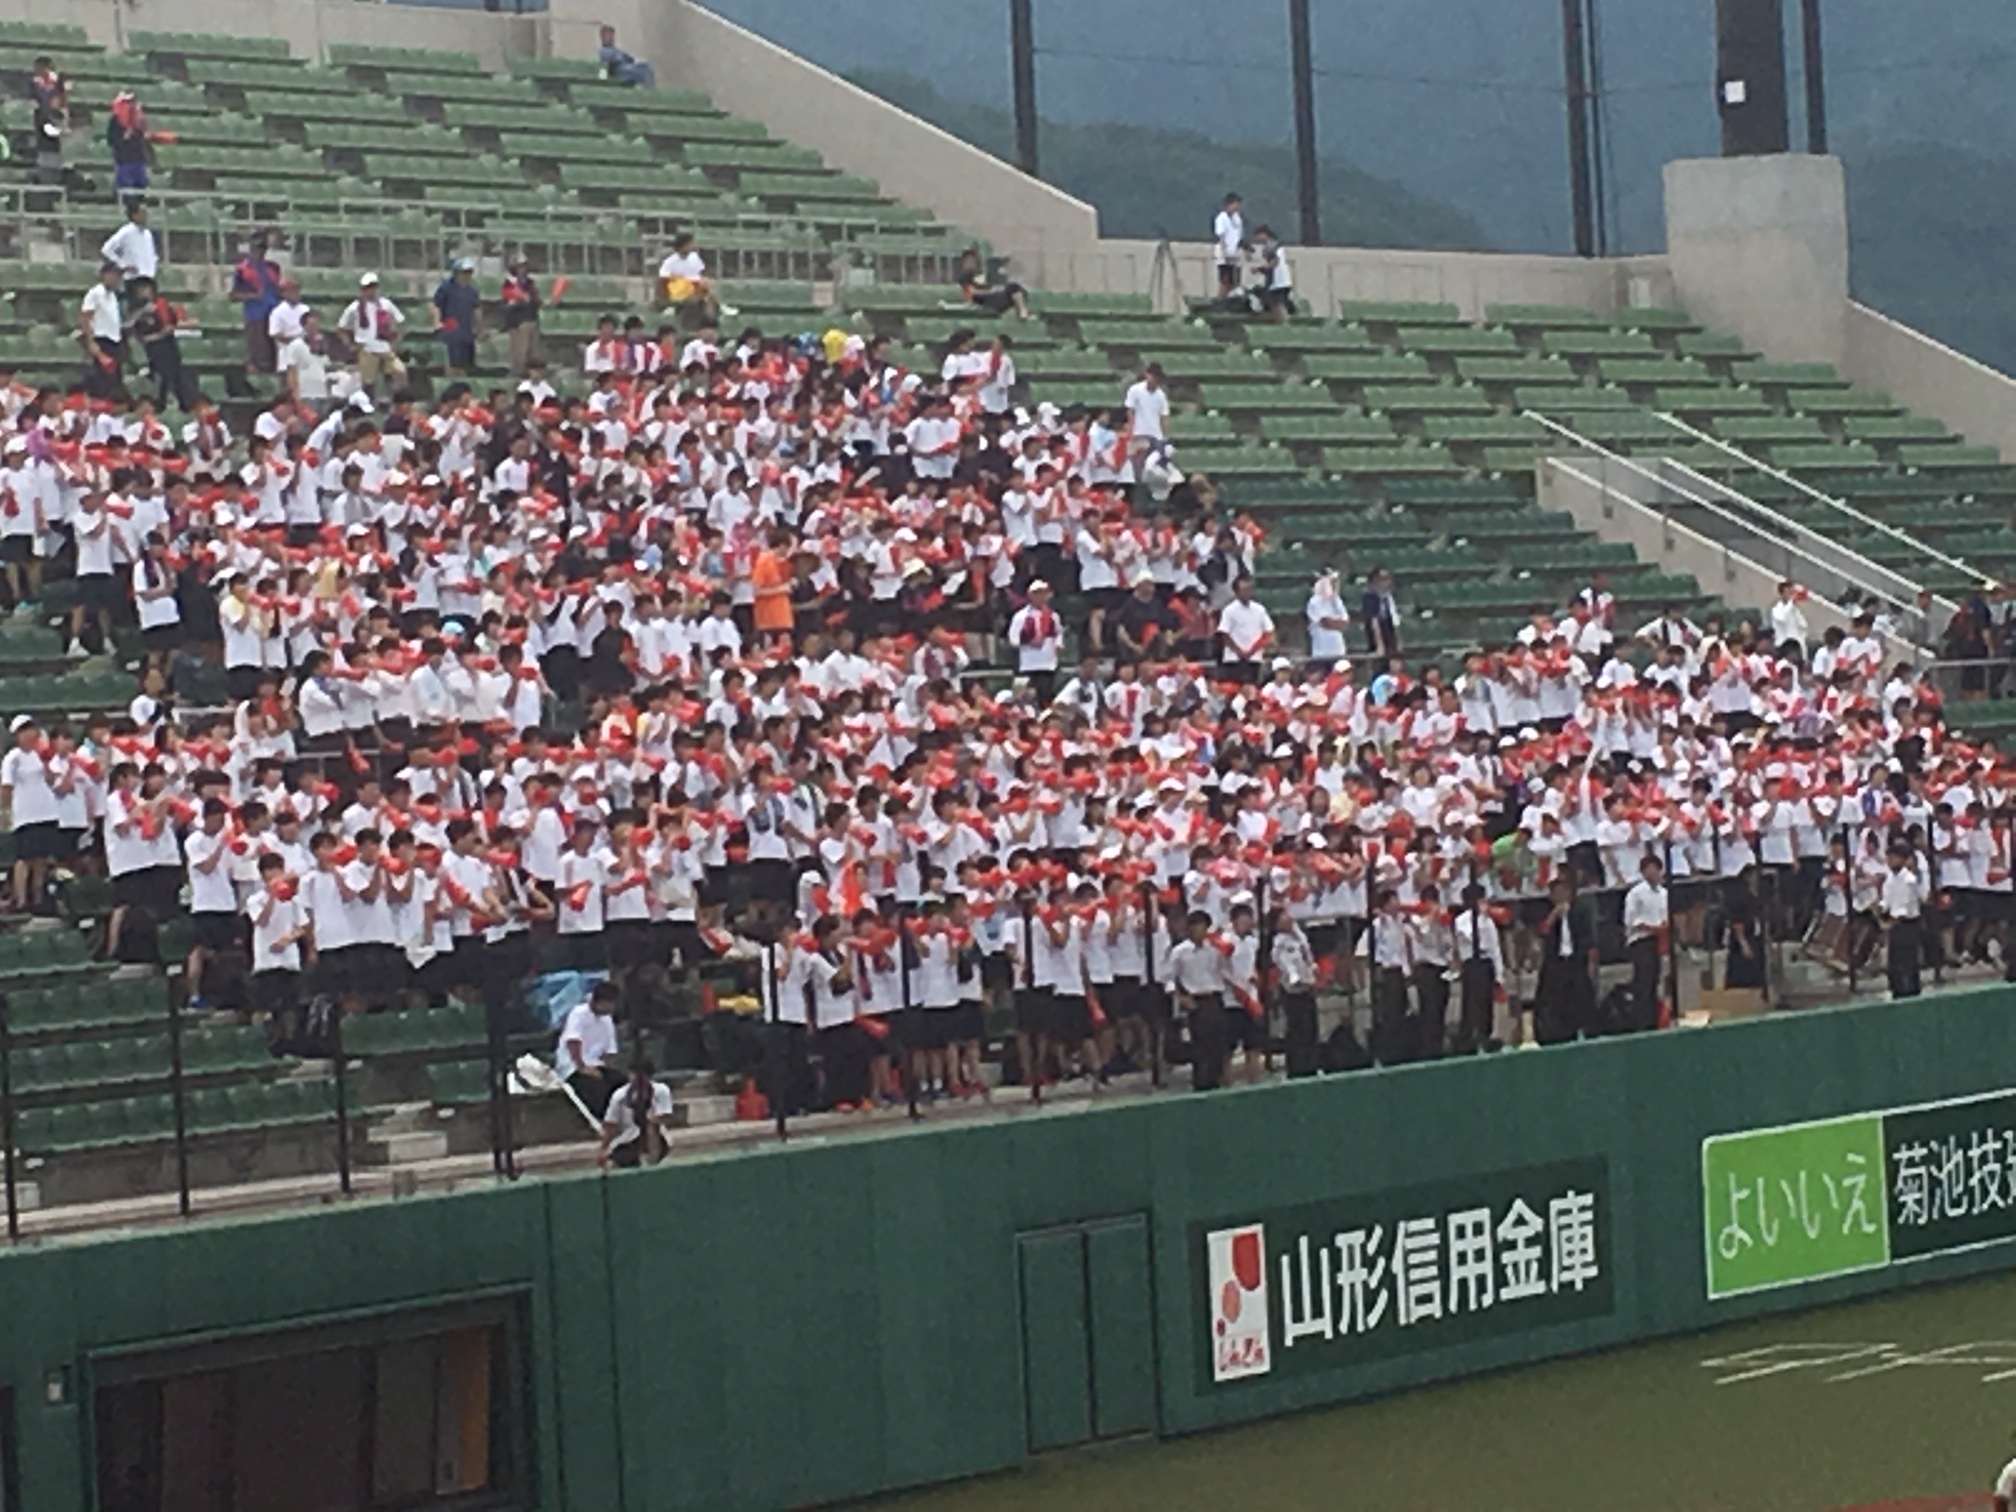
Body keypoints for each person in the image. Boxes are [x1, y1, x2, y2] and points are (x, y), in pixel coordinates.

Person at [1535, 874, 1598, 1044]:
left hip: (1576, 960)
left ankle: (1584, 1029)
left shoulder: (1580, 911)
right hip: (1556, 962)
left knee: (1581, 996)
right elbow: (1542, 931)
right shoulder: (1545, 911)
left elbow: (1589, 937)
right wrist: (1554, 915)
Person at [556, 980, 623, 1116]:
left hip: (597, 1065)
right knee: (596, 1089)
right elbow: (573, 1041)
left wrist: (609, 1071)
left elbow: (610, 1051)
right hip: (573, 1068)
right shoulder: (578, 1014)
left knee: (621, 1085)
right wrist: (582, 1067)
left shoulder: (607, 1020)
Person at [336, 271, 407, 396]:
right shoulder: (355, 307)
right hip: (367, 349)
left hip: (385, 348)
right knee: (367, 382)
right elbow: (341, 328)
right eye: (367, 288)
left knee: (400, 372)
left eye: (373, 287)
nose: (371, 290)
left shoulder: (386, 304)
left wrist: (395, 343)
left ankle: (395, 397)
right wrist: (350, 345)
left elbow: (401, 323)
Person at [1622, 851, 1670, 1031]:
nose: (1652, 872)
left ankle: (1653, 1019)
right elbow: (1631, 920)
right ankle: (1641, 1021)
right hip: (1641, 941)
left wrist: (1663, 927)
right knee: (1643, 980)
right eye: (1648, 869)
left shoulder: (1664, 893)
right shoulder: (1636, 893)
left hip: (1659, 940)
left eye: (1655, 868)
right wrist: (1651, 927)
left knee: (1655, 980)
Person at [598, 1059, 673, 1168]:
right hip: (629, 1139)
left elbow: (666, 1115)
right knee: (610, 1165)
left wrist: (650, 1119)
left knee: (651, 1126)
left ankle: (652, 1161)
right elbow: (611, 1125)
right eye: (633, 1074)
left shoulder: (661, 1090)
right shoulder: (619, 1096)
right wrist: (604, 1148)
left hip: (656, 1138)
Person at [230, 232, 286, 373]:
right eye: (257, 248)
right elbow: (233, 295)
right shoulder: (243, 269)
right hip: (255, 315)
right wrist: (253, 296)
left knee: (274, 354)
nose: (260, 252)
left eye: (262, 248)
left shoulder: (273, 267)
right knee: (259, 354)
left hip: (273, 314)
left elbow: (278, 289)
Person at [1881, 841, 1925, 999]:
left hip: (1907, 924)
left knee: (1907, 960)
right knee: (1894, 961)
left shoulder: (1909, 880)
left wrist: (1888, 924)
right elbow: (1887, 901)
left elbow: (1902, 908)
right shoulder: (1890, 879)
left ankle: (1911, 992)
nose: (1889, 861)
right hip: (1895, 923)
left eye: (1893, 858)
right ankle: (1897, 991)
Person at [79, 261, 126, 401]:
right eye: (114, 275)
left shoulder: (113, 296)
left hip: (114, 341)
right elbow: (85, 317)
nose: (116, 279)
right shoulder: (95, 293)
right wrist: (90, 342)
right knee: (102, 381)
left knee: (114, 382)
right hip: (101, 340)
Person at [432, 258, 480, 375]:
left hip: (466, 332)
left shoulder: (472, 291)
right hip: (451, 331)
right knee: (452, 362)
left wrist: (478, 327)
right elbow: (436, 305)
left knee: (465, 364)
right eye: (464, 272)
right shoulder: (446, 287)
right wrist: (437, 322)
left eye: (469, 272)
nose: (466, 275)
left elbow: (476, 309)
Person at [955, 246, 1029, 320]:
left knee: (1014, 288)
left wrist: (993, 289)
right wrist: (990, 291)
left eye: (973, 261)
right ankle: (1021, 311)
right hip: (980, 299)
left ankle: (1020, 310)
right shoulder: (965, 275)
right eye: (969, 261)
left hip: (990, 298)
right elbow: (972, 292)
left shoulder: (982, 277)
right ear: (963, 263)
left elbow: (988, 286)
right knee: (1013, 288)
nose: (971, 264)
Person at [100, 199, 158, 290]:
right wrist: (123, 265)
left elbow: (152, 254)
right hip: (133, 279)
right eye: (142, 213)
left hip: (148, 278)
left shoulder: (148, 234)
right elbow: (107, 249)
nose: (146, 216)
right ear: (134, 215)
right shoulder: (127, 231)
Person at [500, 255, 542, 376]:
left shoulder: (530, 283)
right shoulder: (509, 284)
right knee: (520, 354)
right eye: (520, 267)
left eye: (524, 266)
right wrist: (519, 300)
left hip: (532, 319)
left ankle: (530, 376)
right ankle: (517, 376)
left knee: (533, 353)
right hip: (518, 322)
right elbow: (509, 303)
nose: (523, 269)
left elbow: (536, 300)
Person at [1361, 566, 1401, 656]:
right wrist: (1379, 645)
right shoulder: (1370, 598)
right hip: (1378, 636)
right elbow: (1373, 621)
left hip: (1389, 634)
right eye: (1381, 579)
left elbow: (1395, 621)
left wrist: (1397, 643)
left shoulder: (1389, 597)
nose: (1385, 582)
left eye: (1387, 579)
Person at [1213, 192, 1245, 297]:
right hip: (1224, 253)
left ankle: (1232, 300)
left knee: (1234, 281)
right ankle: (1220, 300)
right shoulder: (1221, 218)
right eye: (1236, 203)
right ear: (1230, 204)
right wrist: (1224, 251)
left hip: (1234, 253)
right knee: (1225, 281)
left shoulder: (1237, 219)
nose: (1238, 206)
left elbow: (1239, 236)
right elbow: (1221, 236)